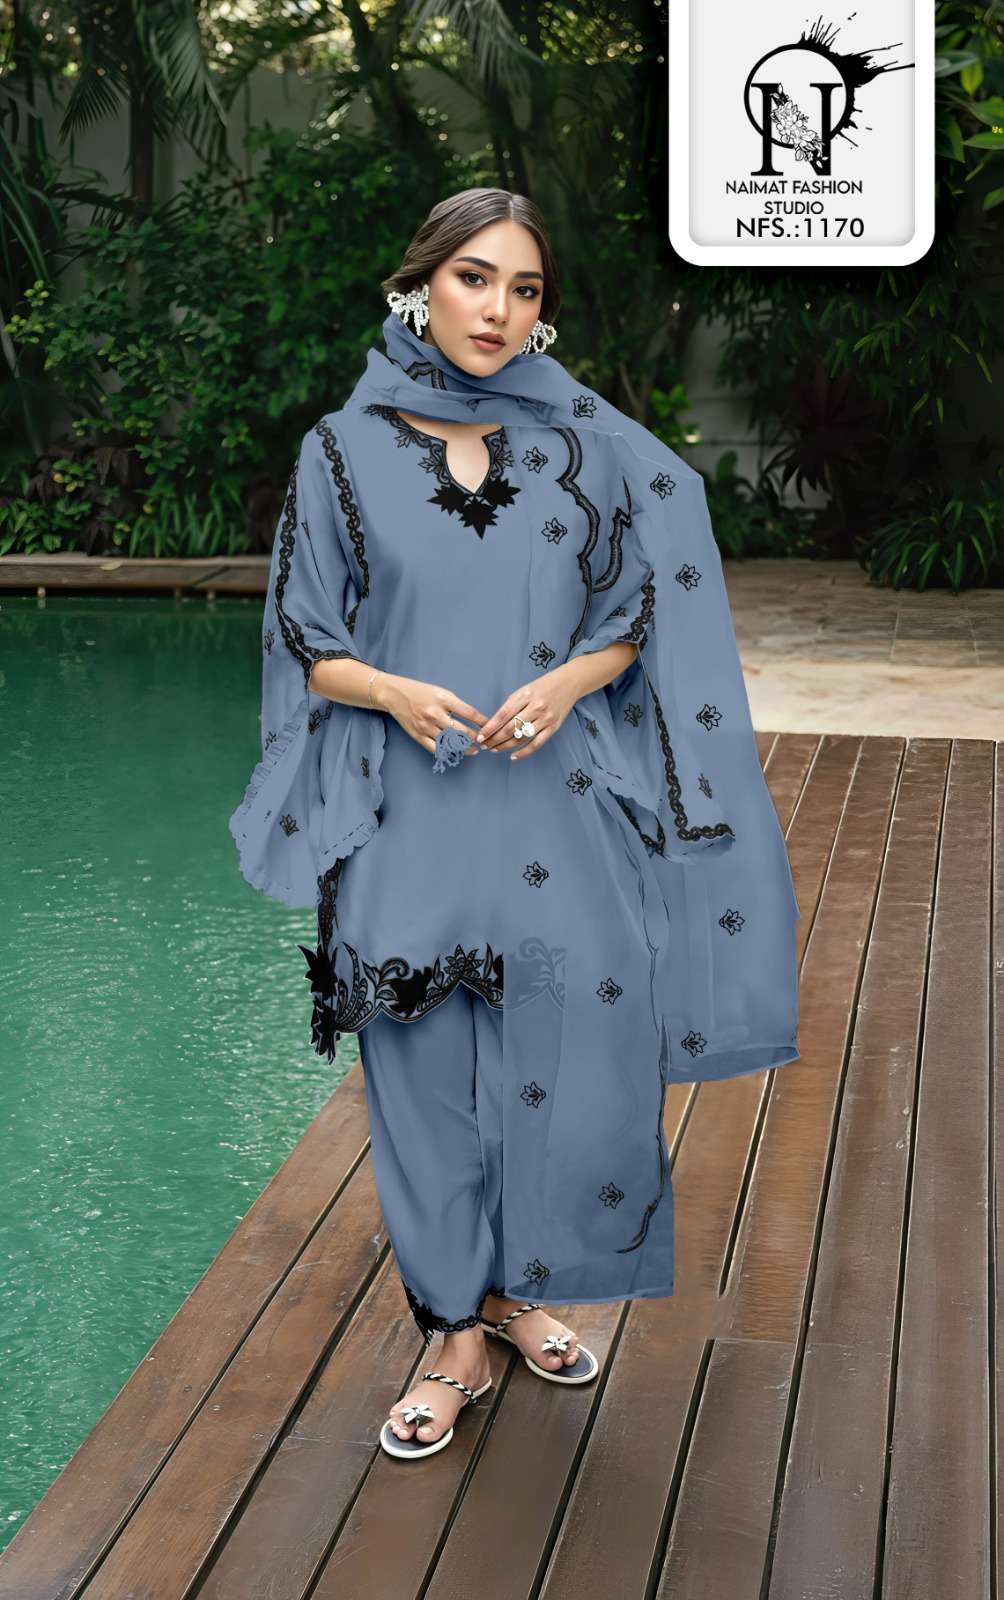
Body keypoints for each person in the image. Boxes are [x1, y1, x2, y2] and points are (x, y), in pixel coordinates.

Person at [228, 187, 802, 1461]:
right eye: (474, 278)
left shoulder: (580, 443)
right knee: (423, 1083)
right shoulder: (341, 451)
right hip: (406, 817)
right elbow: (306, 637)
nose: (496, 309)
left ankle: (521, 1288)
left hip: (559, 808)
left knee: (570, 1060)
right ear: (418, 286)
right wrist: (392, 690)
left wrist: (567, 682)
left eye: (523, 288)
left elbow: (633, 609)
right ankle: (451, 1333)